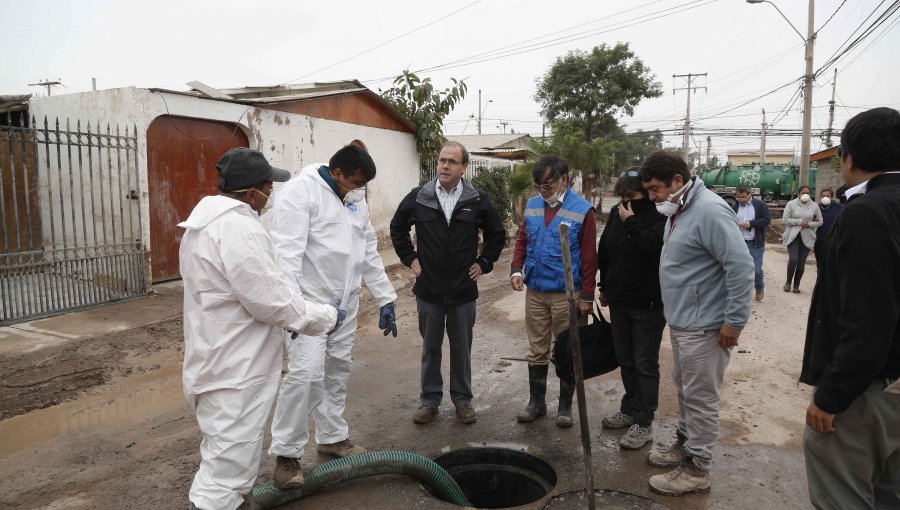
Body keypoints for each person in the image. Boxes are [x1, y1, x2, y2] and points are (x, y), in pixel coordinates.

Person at [179, 147, 342, 510]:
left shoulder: (202, 226)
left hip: (218, 357)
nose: (273, 193)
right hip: (237, 369)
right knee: (226, 474)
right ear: (252, 193)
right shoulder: (237, 229)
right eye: (269, 185)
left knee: (223, 458)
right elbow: (272, 301)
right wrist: (326, 317)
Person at [266, 144, 398, 489]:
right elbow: (287, 257)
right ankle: (286, 455)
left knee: (338, 370)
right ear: (336, 173)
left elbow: (368, 252)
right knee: (306, 376)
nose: (358, 189)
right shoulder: (301, 192)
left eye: (363, 186)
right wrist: (294, 311)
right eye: (354, 182)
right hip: (309, 304)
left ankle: (332, 437)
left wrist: (385, 298)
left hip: (346, 304)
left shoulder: (354, 198)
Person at [800, 107, 900, 510]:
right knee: (888, 494)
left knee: (843, 493)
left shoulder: (867, 213)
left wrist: (832, 396)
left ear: (849, 158)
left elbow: (869, 316)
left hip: (870, 389)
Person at [638, 151, 754, 496]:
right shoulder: (682, 209)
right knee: (686, 391)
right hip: (685, 321)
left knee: (701, 397)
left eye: (656, 189)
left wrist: (734, 322)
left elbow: (741, 268)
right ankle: (685, 447)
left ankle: (697, 469)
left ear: (677, 181)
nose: (652, 197)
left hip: (706, 325)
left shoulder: (709, 210)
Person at [390, 141, 506, 425]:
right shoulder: (420, 196)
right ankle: (429, 401)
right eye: (442, 160)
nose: (445, 165)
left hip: (462, 289)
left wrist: (484, 263)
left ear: (464, 167)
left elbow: (496, 234)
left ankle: (462, 401)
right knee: (430, 348)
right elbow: (397, 227)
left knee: (461, 348)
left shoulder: (477, 199)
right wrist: (410, 258)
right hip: (428, 289)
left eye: (452, 162)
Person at [510, 155, 597, 428]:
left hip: (566, 296)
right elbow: (523, 240)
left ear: (563, 181)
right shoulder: (533, 205)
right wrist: (516, 269)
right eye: (539, 186)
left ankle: (564, 406)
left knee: (568, 351)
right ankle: (536, 403)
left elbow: (589, 257)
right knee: (536, 350)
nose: (542, 191)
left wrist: (586, 295)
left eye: (547, 185)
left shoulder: (583, 210)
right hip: (535, 292)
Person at [597, 168, 666, 448]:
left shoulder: (660, 214)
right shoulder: (618, 212)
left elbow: (654, 247)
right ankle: (629, 409)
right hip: (620, 301)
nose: (627, 201)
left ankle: (644, 421)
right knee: (625, 360)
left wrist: (633, 222)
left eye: (633, 195)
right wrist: (605, 287)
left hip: (648, 304)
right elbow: (607, 251)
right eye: (622, 196)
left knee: (645, 363)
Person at [731, 183, 771, 302]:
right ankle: (742, 293)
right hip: (739, 244)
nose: (741, 199)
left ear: (750, 194)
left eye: (743, 196)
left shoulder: (760, 205)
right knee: (739, 270)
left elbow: (767, 220)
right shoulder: (735, 207)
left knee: (756, 269)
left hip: (755, 243)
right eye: (738, 197)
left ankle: (759, 288)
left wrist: (750, 224)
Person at [781, 185, 822, 293]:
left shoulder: (814, 206)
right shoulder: (791, 204)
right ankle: (788, 282)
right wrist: (799, 222)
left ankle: (796, 285)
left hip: (807, 237)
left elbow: (820, 221)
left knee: (801, 262)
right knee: (793, 259)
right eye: (803, 193)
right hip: (793, 236)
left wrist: (809, 224)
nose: (806, 195)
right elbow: (785, 220)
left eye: (808, 193)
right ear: (799, 194)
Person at [813, 187, 842, 272]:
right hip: (820, 241)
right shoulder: (816, 208)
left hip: (834, 241)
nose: (825, 197)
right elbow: (809, 221)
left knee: (831, 266)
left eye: (827, 196)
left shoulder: (839, 207)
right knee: (820, 265)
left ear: (831, 197)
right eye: (823, 196)